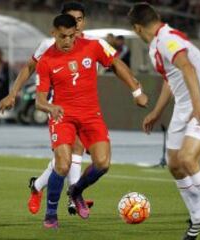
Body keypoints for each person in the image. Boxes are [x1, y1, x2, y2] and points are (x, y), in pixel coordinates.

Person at [35, 14, 148, 228]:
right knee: (62, 164)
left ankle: (76, 190)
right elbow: (39, 100)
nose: (67, 41)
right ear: (53, 34)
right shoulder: (46, 60)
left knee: (103, 164)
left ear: (76, 32)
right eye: (62, 37)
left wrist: (136, 91)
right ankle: (50, 215)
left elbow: (116, 64)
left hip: (90, 115)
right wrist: (50, 107)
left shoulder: (94, 46)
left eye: (70, 36)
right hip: (63, 116)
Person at [128, 3, 200, 240]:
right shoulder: (155, 48)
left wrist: (198, 104)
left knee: (188, 159)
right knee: (174, 165)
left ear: (137, 28)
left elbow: (188, 68)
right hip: (184, 108)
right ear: (157, 17)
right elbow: (171, 80)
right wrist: (157, 112)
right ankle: (197, 217)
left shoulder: (167, 39)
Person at [0, 1, 92, 216]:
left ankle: (38, 186)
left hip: (82, 107)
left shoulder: (91, 45)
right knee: (71, 152)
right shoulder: (48, 45)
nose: (75, 24)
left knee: (66, 158)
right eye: (71, 19)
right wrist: (13, 93)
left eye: (79, 20)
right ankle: (74, 196)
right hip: (57, 107)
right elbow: (29, 68)